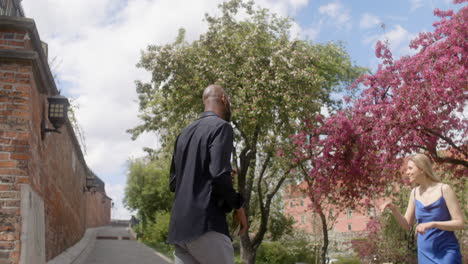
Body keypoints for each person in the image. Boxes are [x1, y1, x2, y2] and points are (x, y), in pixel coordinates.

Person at [167, 84, 247, 264]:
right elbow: (218, 175)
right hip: (206, 225)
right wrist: (238, 206)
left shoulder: (184, 133)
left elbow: (174, 183)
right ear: (224, 100)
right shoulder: (222, 127)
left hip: (179, 230)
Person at [382, 153, 463, 263]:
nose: (407, 173)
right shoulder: (414, 193)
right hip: (424, 253)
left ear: (422, 169)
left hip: (446, 252)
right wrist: (394, 209)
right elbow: (406, 225)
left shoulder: (444, 189)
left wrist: (433, 224)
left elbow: (459, 223)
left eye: (410, 168)